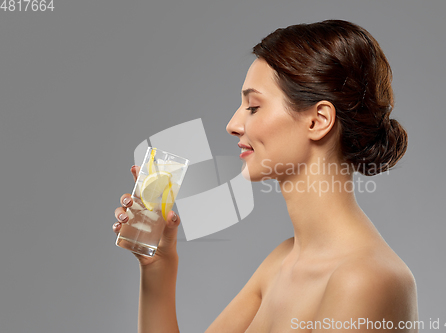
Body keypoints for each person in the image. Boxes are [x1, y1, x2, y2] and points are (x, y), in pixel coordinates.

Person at [113, 19, 418, 333]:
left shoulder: (367, 280)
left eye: (253, 106)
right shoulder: (281, 263)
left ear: (318, 120)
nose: (233, 124)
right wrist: (158, 264)